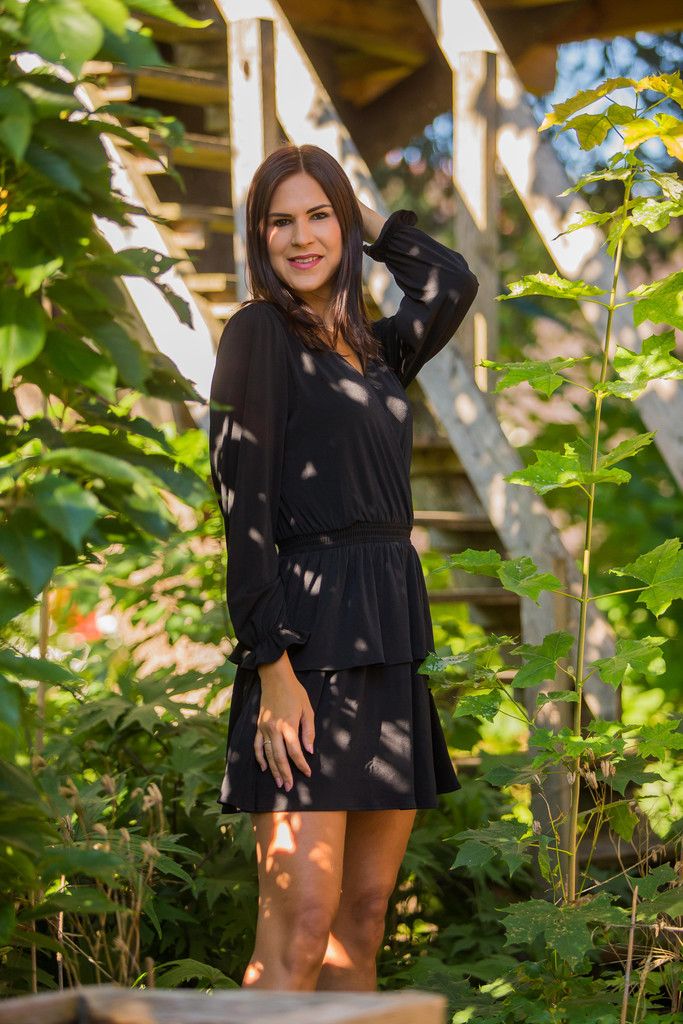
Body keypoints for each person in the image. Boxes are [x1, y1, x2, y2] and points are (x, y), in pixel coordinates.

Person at [208, 143, 478, 992]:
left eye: (318, 216)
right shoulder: (258, 334)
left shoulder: (377, 349)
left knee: (361, 917)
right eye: (279, 221)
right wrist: (271, 670)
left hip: (389, 636)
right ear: (258, 236)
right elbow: (242, 506)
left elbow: (450, 282)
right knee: (300, 924)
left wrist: (360, 215)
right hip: (305, 640)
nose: (301, 238)